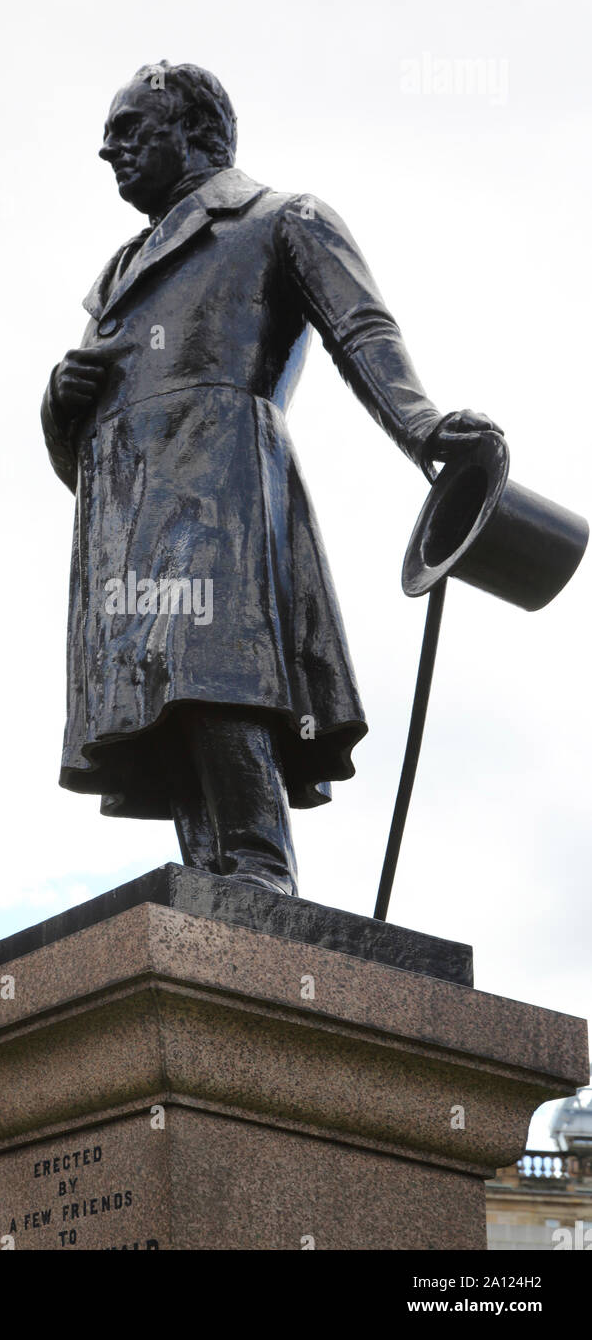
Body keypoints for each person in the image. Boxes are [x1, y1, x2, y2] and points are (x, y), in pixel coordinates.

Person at [40, 60, 502, 898]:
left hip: (218, 480)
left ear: (197, 131)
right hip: (127, 506)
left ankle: (258, 862)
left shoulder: (280, 218)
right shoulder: (113, 274)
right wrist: (57, 402)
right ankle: (210, 866)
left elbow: (360, 329)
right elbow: (77, 455)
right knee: (155, 692)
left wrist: (425, 425)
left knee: (218, 668)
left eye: (131, 132)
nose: (110, 153)